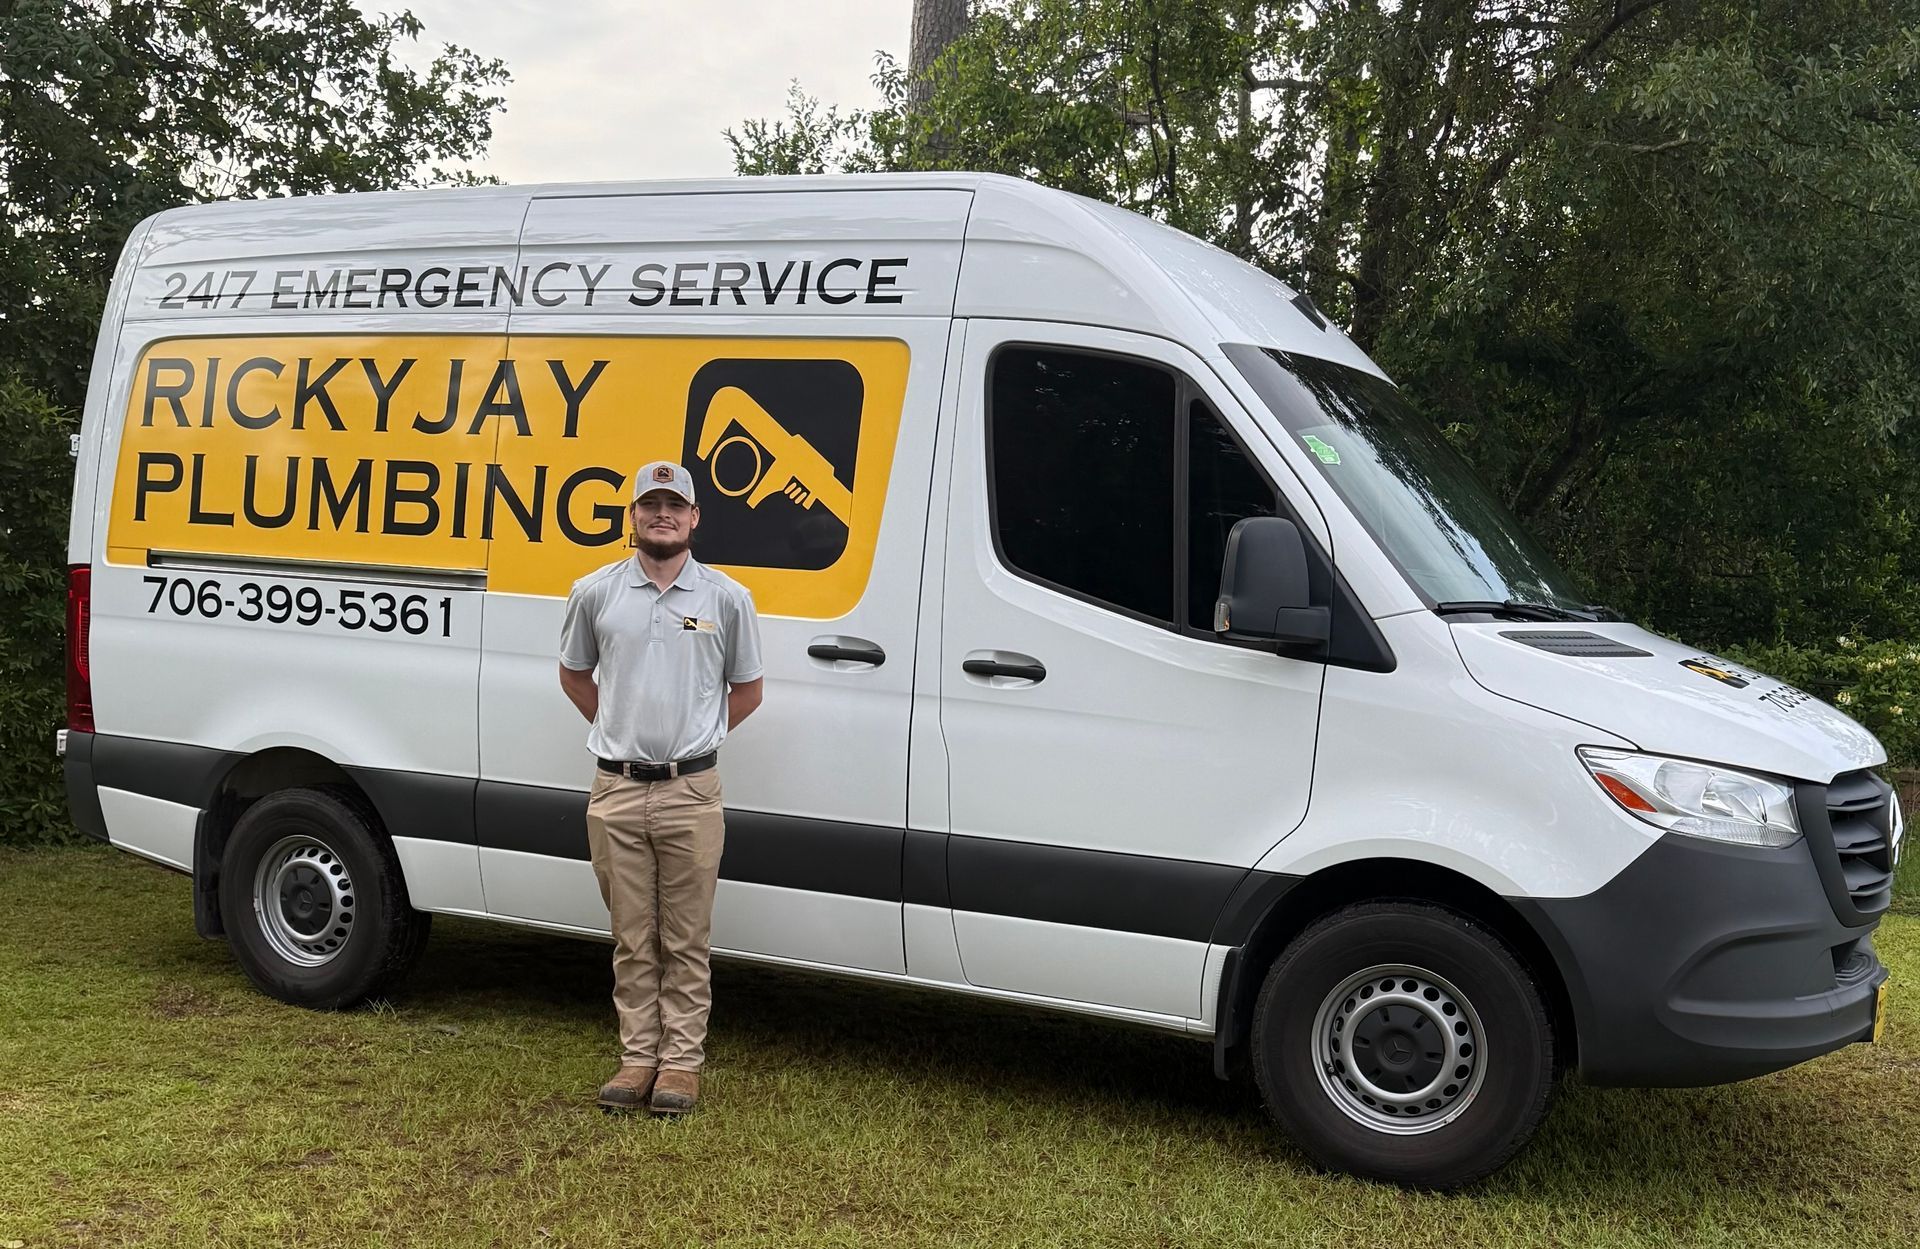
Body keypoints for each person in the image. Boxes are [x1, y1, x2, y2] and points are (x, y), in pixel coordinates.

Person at [557, 460, 764, 1115]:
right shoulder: (594, 592)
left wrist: (694, 735)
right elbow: (574, 673)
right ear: (634, 517)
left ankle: (680, 1065)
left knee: (685, 937)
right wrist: (618, 729)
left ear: (696, 517)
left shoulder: (727, 598)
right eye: (651, 505)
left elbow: (749, 689)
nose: (663, 515)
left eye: (675, 505)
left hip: (690, 793)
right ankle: (637, 1057)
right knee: (631, 935)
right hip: (615, 791)